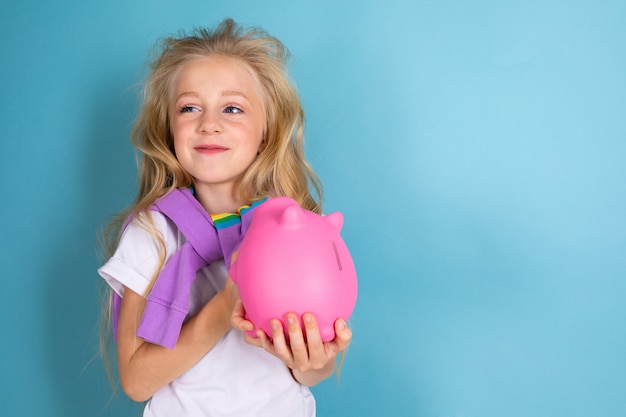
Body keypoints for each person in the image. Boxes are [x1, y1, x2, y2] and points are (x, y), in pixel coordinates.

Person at [98, 18, 352, 417]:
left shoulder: (294, 228)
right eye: (189, 107)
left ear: (265, 131)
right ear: (170, 130)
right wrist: (224, 308)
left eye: (232, 108)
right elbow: (135, 381)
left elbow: (310, 372)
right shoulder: (154, 233)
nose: (209, 123)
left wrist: (316, 358)